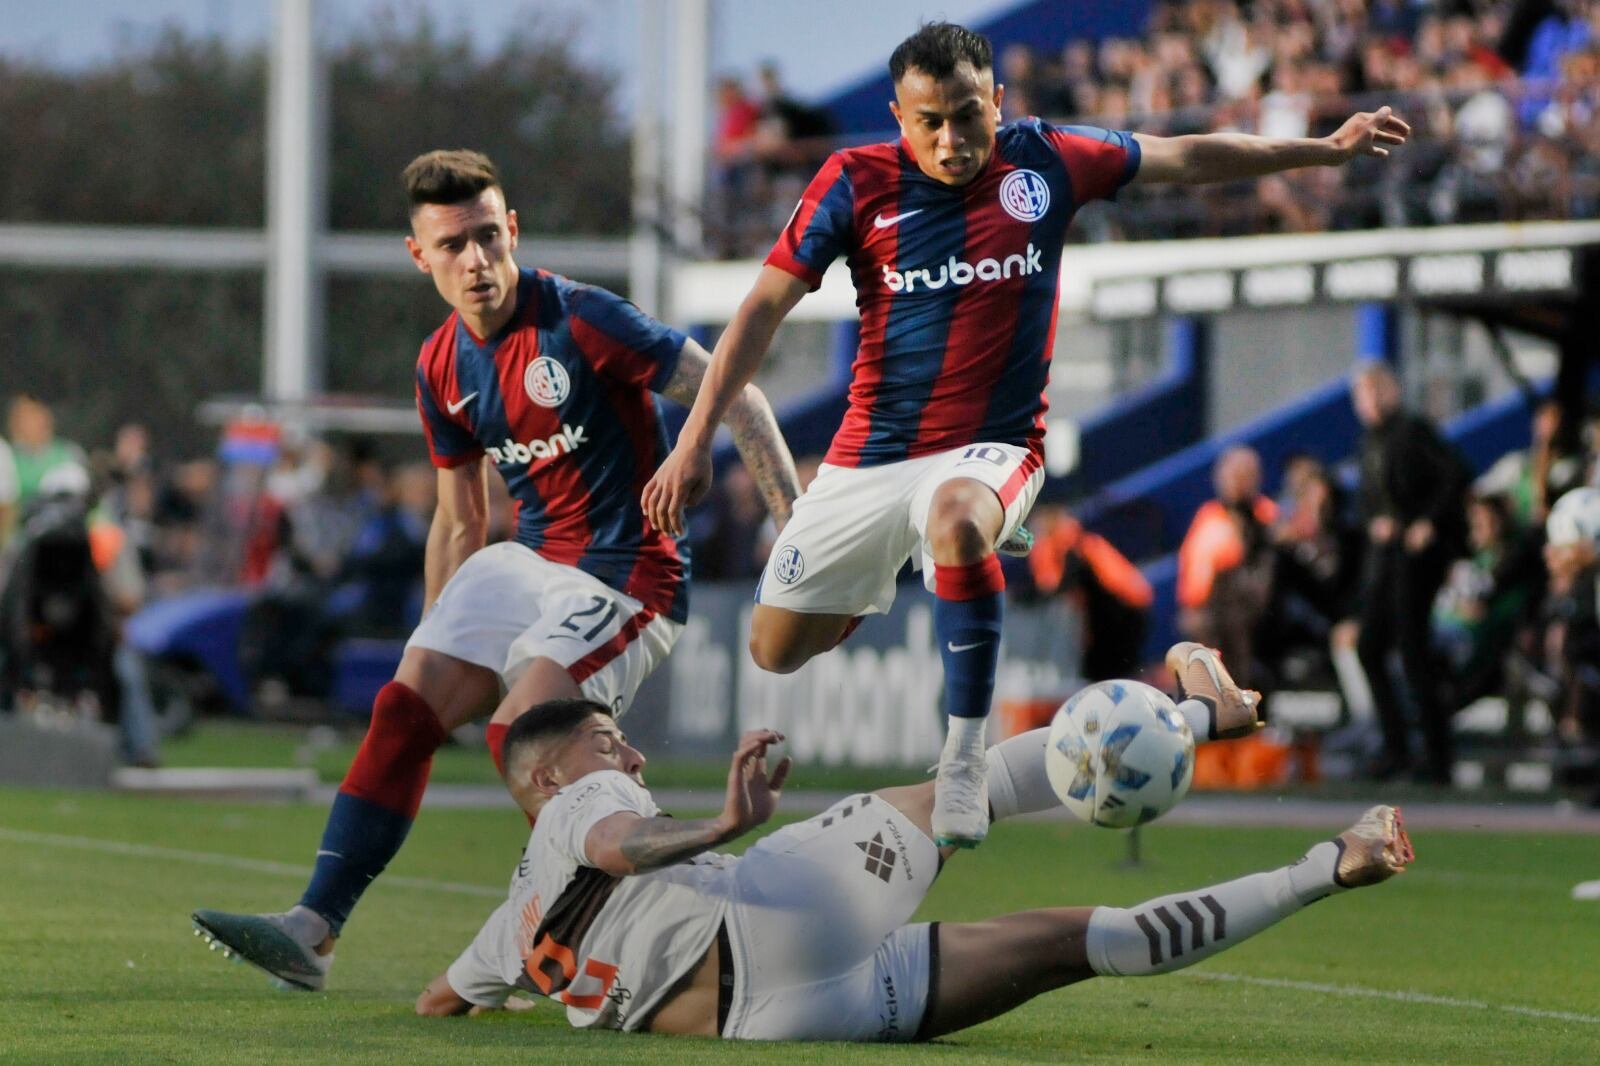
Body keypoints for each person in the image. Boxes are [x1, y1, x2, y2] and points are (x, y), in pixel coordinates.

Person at [644, 19, 1409, 848]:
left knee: (957, 519)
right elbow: (760, 307)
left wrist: (1322, 150)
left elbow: (1184, 154)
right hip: (871, 455)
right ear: (899, 119)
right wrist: (692, 443)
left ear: (997, 103)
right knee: (773, 651)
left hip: (993, 449)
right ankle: (925, 557)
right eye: (928, 121)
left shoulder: (1044, 159)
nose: (951, 138)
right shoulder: (852, 182)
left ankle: (963, 755)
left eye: (968, 114)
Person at [191, 149, 801, 991]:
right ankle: (313, 931)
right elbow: (460, 518)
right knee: (404, 709)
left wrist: (789, 539)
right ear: (421, 256)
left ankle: (661, 938)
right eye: (452, 246)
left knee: (524, 735)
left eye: (487, 237)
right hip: (528, 564)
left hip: (628, 575)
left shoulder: (584, 320)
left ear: (512, 230)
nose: (475, 261)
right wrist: (441, 634)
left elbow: (739, 391)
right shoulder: (440, 365)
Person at [398, 645, 1412, 1039]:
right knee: (954, 791)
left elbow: (443, 997)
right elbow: (622, 839)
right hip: (769, 924)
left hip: (781, 1020)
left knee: (1071, 941)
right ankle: (1197, 715)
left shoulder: (510, 922)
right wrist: (719, 825)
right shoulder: (579, 802)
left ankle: (1328, 865)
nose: (623, 746)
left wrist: (473, 1000)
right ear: (544, 776)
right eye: (600, 735)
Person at [1350, 362, 1471, 785]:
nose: (1362, 404)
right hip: (1387, 558)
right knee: (1369, 647)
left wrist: (1427, 522)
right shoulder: (1371, 441)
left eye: (1367, 394)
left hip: (1416, 558)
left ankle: (1437, 757)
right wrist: (1376, 522)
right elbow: (1368, 498)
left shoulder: (1412, 431)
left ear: (1387, 392)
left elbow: (1454, 475)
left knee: (1412, 650)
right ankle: (1396, 746)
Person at [1177, 446, 1278, 690]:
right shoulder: (1209, 517)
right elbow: (1196, 568)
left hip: (1257, 610)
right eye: (1231, 475)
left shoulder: (1267, 516)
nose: (1235, 483)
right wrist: (1193, 606)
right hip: (1215, 610)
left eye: (1243, 475)